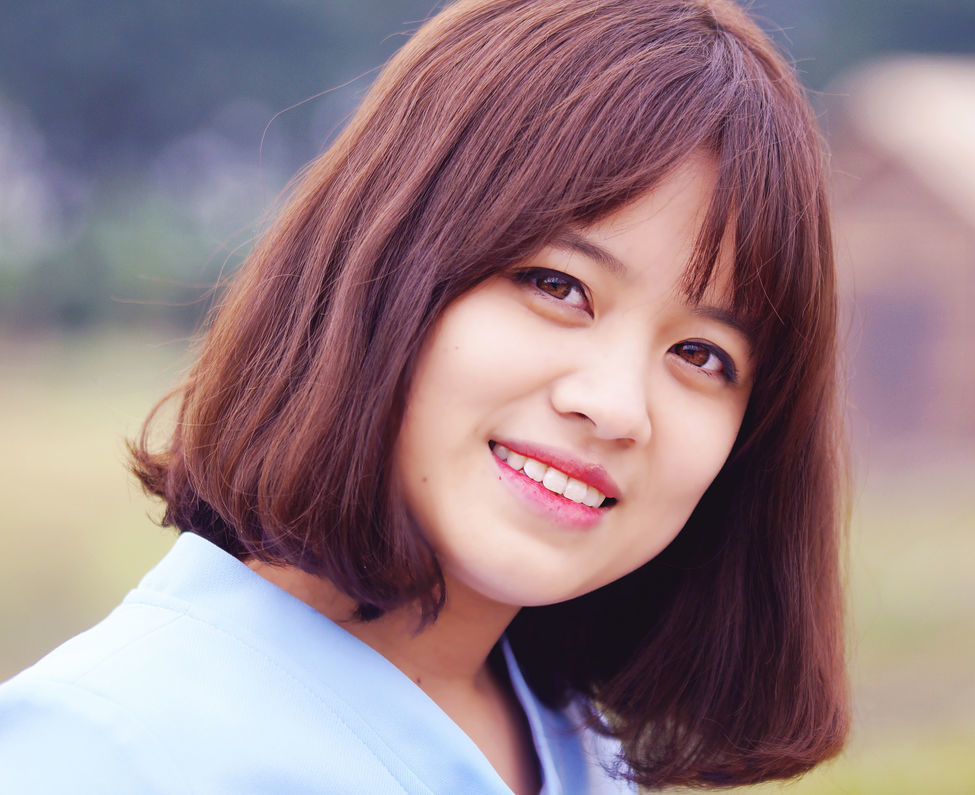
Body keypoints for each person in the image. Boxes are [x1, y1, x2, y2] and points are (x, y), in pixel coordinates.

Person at [0, 0, 850, 791]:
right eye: (557, 285)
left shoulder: (585, 752)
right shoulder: (102, 751)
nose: (618, 405)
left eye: (701, 353)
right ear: (385, 263)